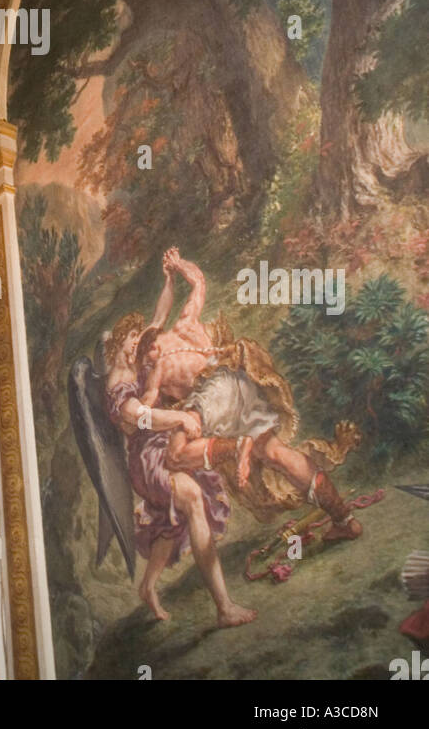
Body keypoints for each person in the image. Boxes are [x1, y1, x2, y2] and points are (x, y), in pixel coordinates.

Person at [148, 249, 362, 542]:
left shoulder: (155, 368)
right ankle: (344, 519)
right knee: (277, 454)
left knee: (174, 455)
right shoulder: (185, 324)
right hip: (238, 383)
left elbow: (141, 411)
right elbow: (198, 281)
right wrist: (176, 268)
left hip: (213, 395)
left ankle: (238, 447)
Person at [105, 296, 256, 627]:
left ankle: (147, 586)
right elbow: (140, 418)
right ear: (121, 342)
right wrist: (177, 421)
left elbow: (157, 319)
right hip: (148, 460)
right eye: (133, 339)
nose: (140, 343)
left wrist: (169, 281)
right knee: (192, 501)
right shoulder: (117, 383)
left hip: (161, 447)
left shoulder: (136, 359)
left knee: (171, 523)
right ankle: (224, 608)